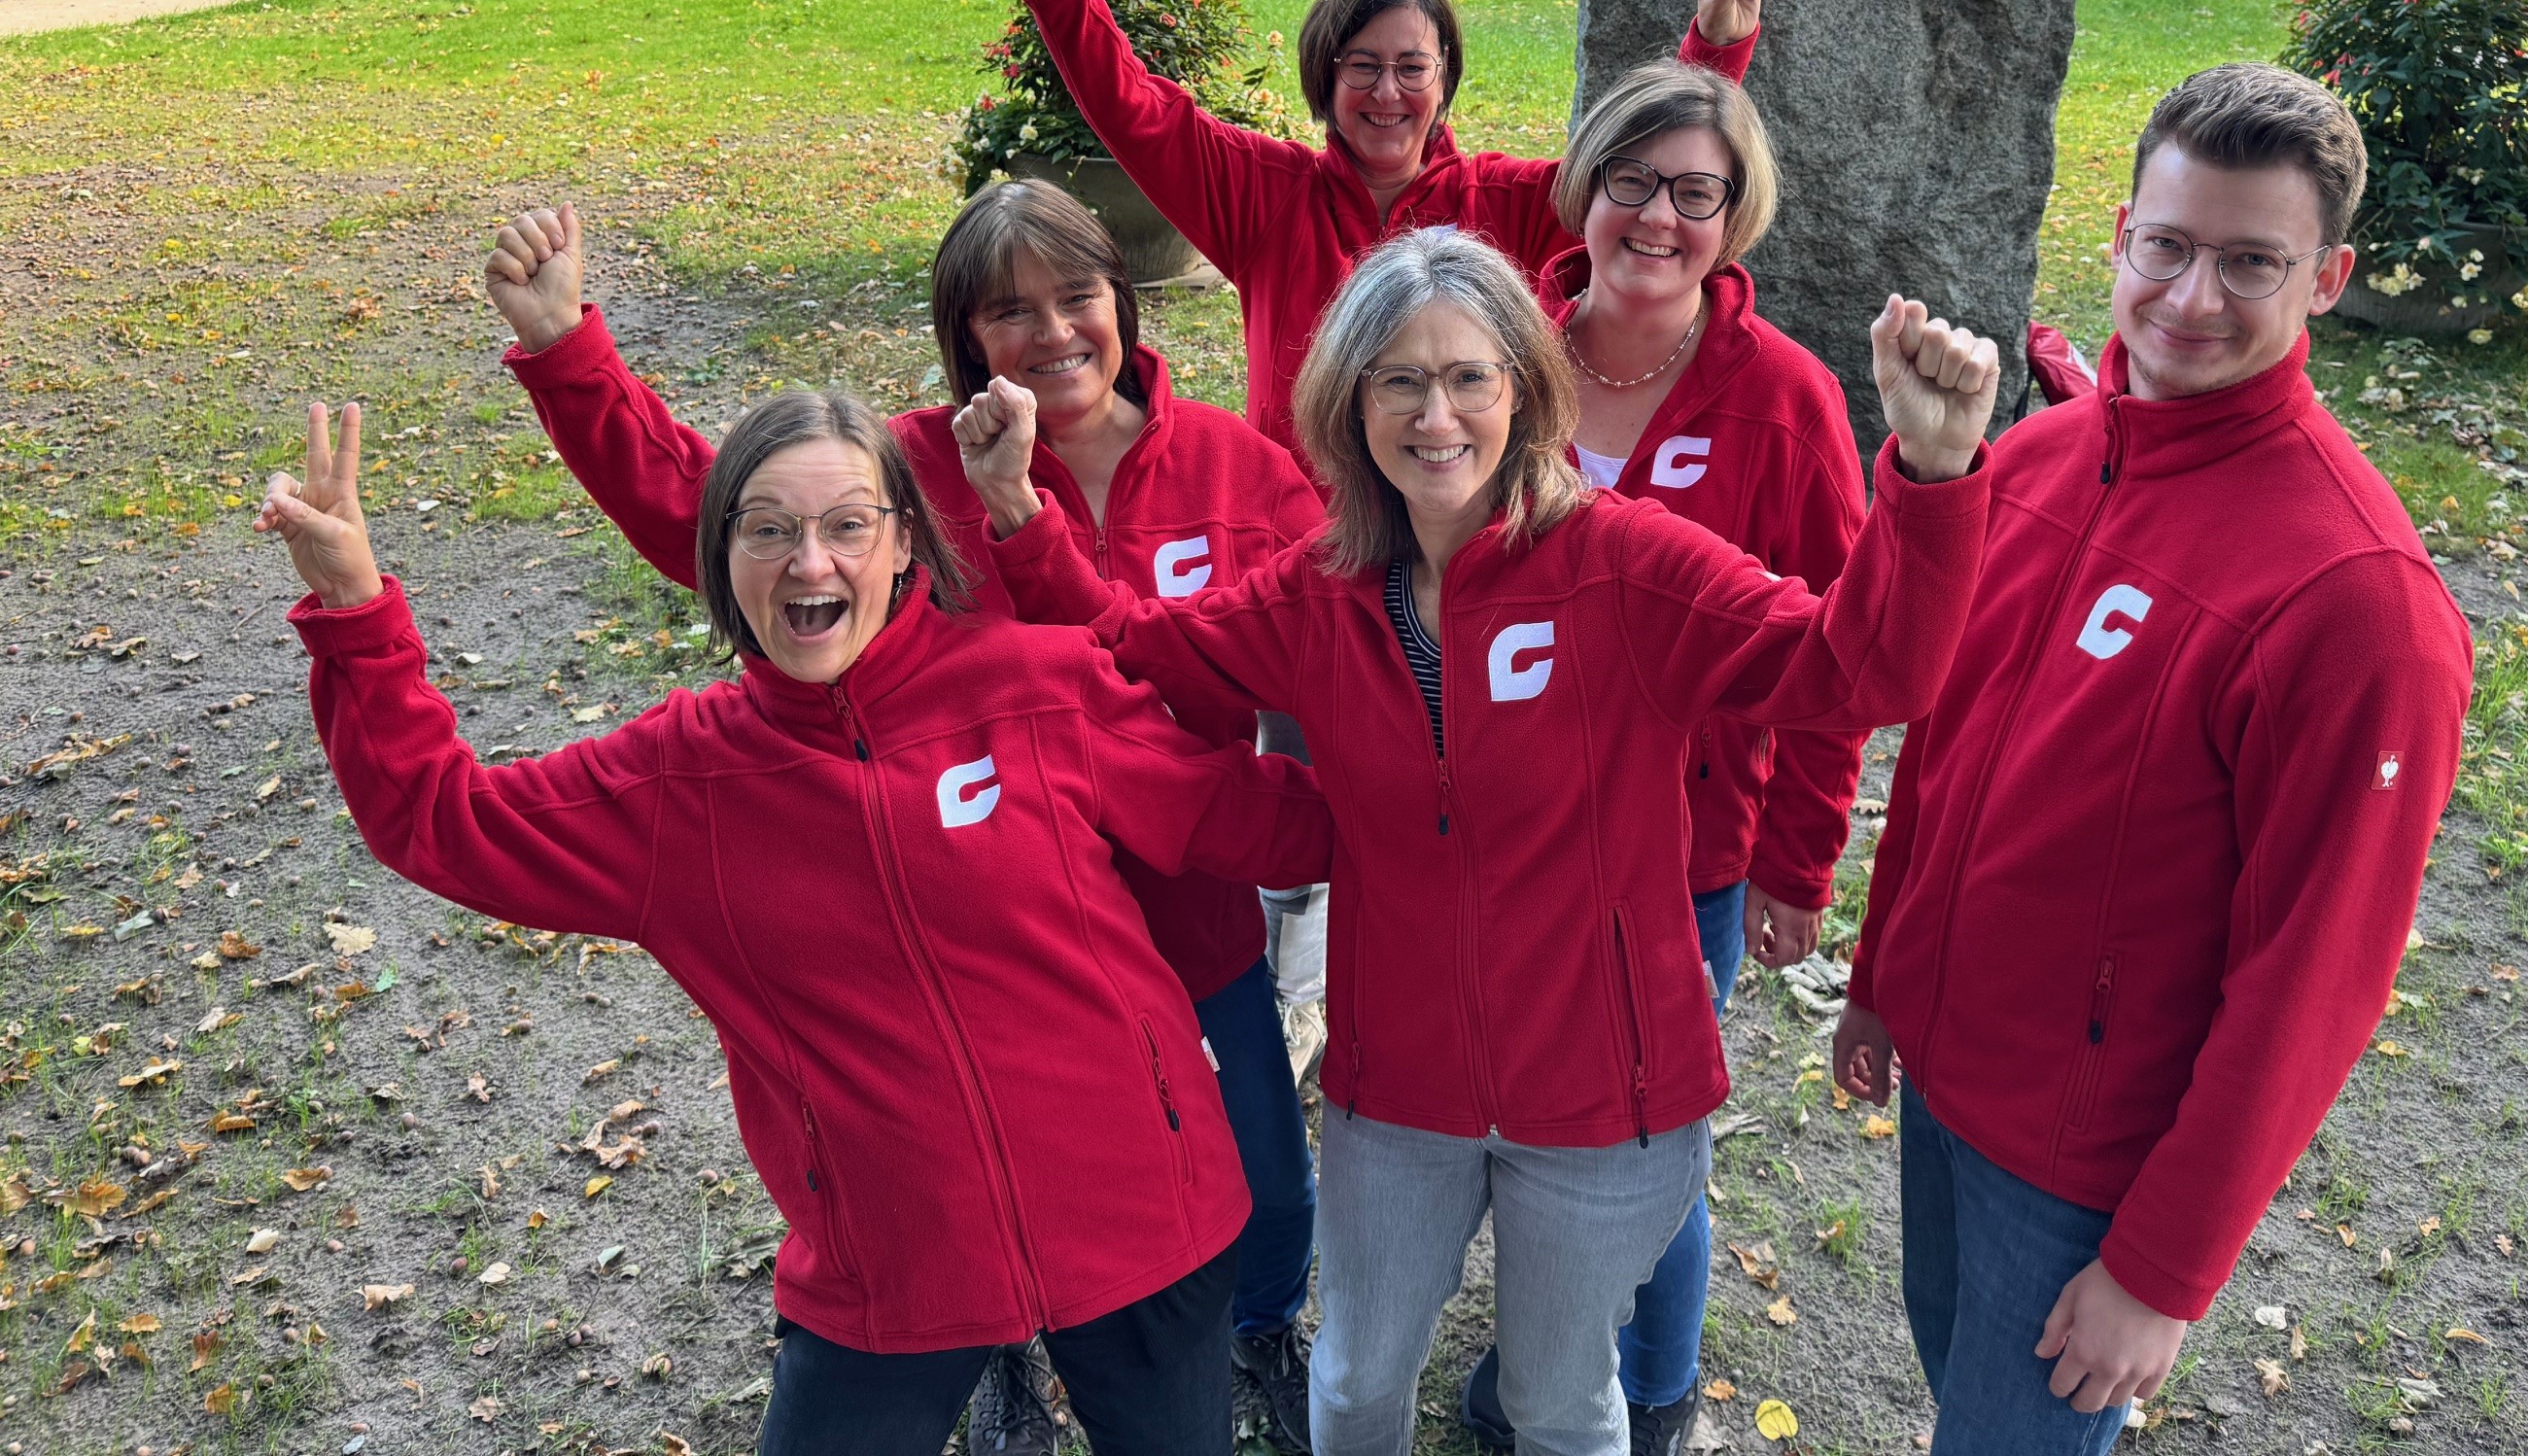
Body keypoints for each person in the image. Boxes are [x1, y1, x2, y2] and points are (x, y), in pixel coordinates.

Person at [954, 226, 2001, 1456]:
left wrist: (1931, 477)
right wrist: (1024, 518)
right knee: (1350, 1390)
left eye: (1469, 377)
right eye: (1398, 378)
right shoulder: (1318, 591)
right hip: (1401, 1093)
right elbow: (1139, 646)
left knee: (1560, 1405)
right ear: (1350, 406)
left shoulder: (1627, 568)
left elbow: (1859, 665)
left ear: (1525, 388)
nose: (1434, 413)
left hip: (1608, 1098)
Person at [254, 389, 1332, 1456]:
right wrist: (358, 616)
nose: (811, 563)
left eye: (847, 525)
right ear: (720, 557)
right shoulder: (681, 785)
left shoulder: (1040, 688)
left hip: (1146, 1222)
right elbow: (444, 824)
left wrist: (1451, 777)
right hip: (890, 1267)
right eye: (767, 530)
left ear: (906, 541)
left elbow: (1268, 824)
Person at [480, 186, 1332, 1455]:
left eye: (1074, 296)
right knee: (977, 1168)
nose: (1050, 334)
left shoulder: (1237, 472)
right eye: (1007, 312)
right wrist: (568, 353)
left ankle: (1256, 1330)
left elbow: (1331, 652)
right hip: (981, 929)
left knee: (1255, 1174)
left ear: (1125, 299)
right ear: (963, 336)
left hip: (1188, 910)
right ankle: (997, 1342)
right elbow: (704, 510)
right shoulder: (910, 476)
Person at [1831, 64, 2475, 1453]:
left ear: (2327, 277)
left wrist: (2164, 1271)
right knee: (1955, 1384)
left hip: (2086, 1171)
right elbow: (1941, 755)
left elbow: (2315, 978)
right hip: (1952, 1082)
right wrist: (1882, 977)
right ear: (2121, 233)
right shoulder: (2047, 456)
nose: (2190, 298)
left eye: (2252, 262)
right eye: (2168, 247)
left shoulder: (2359, 605)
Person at [1456, 60, 1872, 1456]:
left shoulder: (1788, 401)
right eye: (1632, 180)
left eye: (1697, 191)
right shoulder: (1507, 355)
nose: (1659, 215)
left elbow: (1839, 654)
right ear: (1585, 187)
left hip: (1684, 850)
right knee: (1529, 1121)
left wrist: (1797, 859)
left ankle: (1656, 1377)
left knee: (1643, 1138)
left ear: (1737, 212)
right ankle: (1547, 1360)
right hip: (1507, 834)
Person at [977, 0, 1768, 464]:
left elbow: (1637, 180)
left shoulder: (1508, 206)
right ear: (1324, 80)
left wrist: (1714, 48)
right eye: (1361, 67)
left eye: (1411, 68)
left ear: (1446, 78)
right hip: (1302, 561)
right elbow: (1134, 109)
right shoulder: (1263, 196)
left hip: (1461, 551)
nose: (1388, 94)